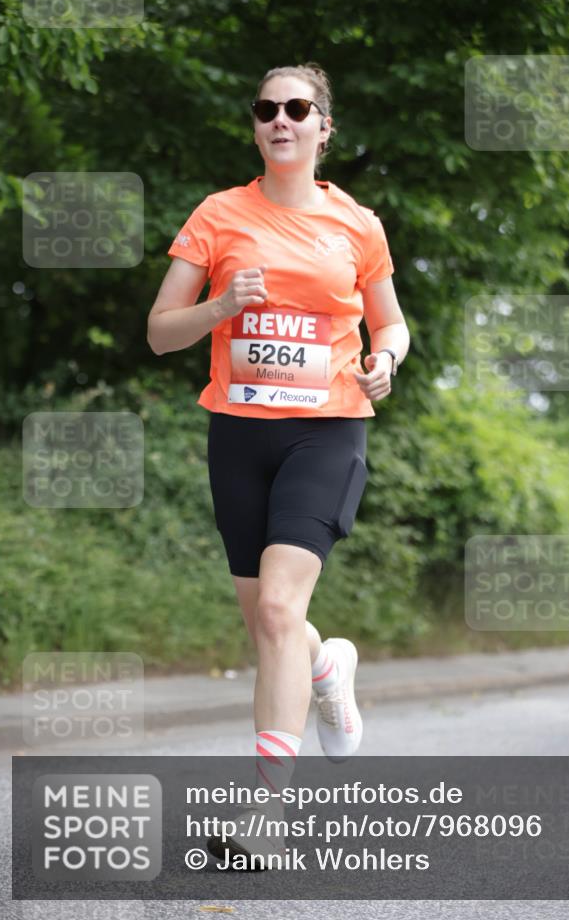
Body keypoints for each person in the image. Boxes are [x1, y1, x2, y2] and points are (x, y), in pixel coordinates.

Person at [147, 62, 410, 864]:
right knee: (272, 624)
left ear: (323, 127)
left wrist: (385, 363)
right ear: (255, 125)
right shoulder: (219, 216)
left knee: (273, 614)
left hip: (326, 432)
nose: (280, 119)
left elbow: (391, 326)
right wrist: (222, 306)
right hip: (238, 434)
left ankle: (267, 820)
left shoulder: (357, 224)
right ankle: (326, 665)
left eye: (297, 107)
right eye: (266, 108)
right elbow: (161, 331)